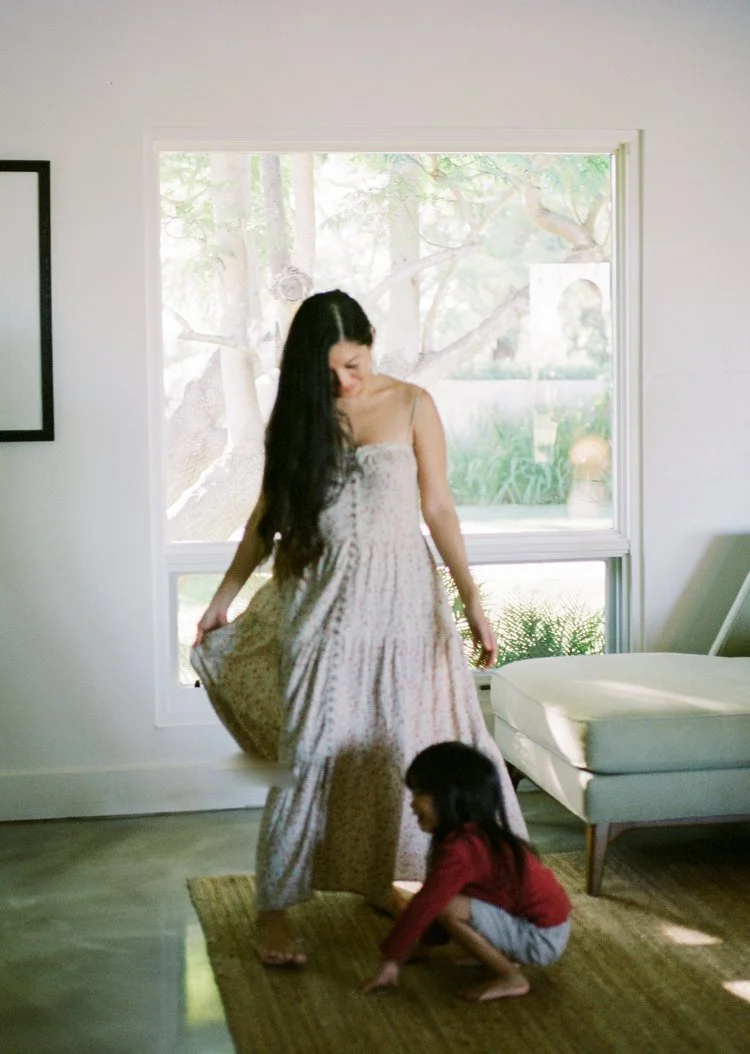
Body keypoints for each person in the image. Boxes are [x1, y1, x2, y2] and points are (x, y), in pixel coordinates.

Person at [194, 289, 528, 967]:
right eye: (330, 372)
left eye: (354, 363)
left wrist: (472, 598)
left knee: (403, 751)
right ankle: (273, 911)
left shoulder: (413, 404)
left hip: (405, 604)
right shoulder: (300, 421)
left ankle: (389, 882)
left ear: (371, 342)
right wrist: (224, 596)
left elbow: (439, 509)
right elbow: (265, 518)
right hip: (321, 607)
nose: (346, 381)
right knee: (309, 754)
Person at [362, 741, 572, 1001]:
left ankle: (511, 978)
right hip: (546, 927)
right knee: (446, 899)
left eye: (420, 794)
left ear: (451, 798)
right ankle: (499, 954)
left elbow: (428, 904)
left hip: (541, 939)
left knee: (447, 906)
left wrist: (391, 957)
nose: (413, 804)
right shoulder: (474, 836)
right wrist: (423, 947)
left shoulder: (463, 849)